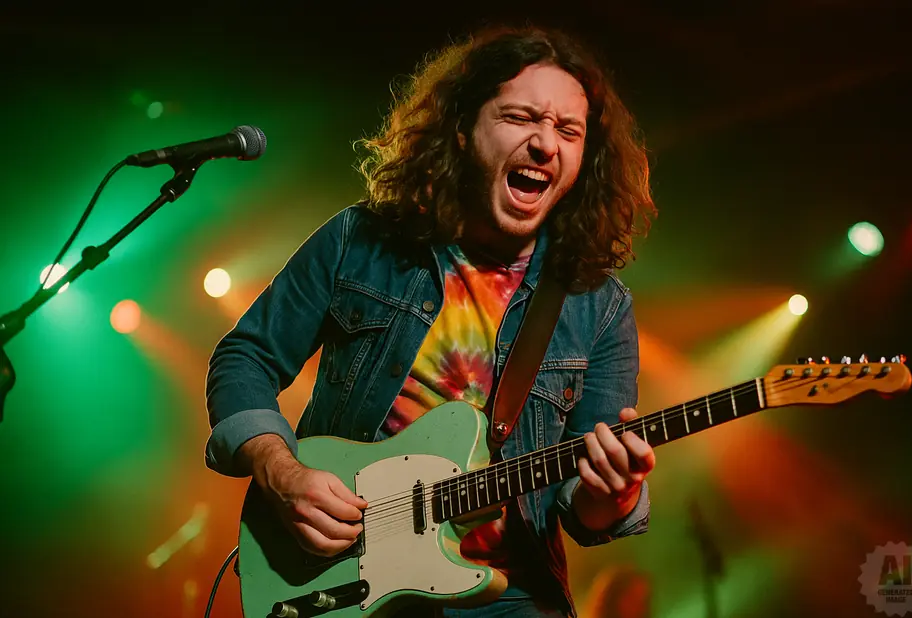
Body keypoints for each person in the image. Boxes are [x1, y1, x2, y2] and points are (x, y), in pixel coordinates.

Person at [205, 25, 658, 618]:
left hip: (509, 595)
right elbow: (245, 357)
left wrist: (614, 494)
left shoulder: (599, 306)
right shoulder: (361, 240)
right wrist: (280, 471)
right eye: (521, 117)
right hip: (339, 579)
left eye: (568, 130)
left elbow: (584, 507)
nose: (546, 143)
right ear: (464, 131)